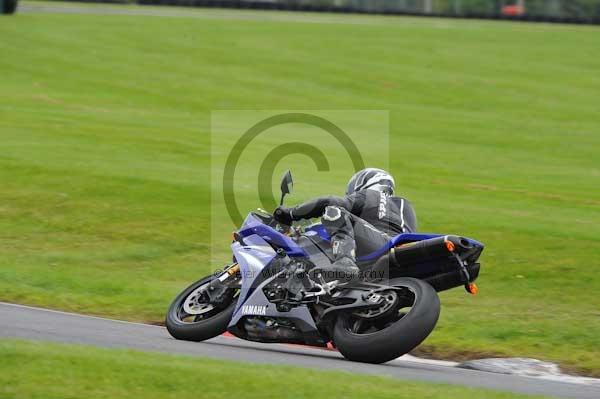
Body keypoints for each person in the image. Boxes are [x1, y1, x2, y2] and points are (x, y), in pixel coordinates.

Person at [274, 168, 417, 283]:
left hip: (383, 245)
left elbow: (330, 202)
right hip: (402, 254)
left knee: (333, 211)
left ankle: (345, 262)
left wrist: (290, 214)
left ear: (363, 183)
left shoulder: (371, 195)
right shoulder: (403, 206)